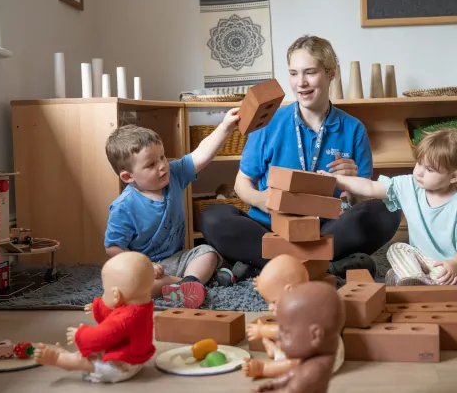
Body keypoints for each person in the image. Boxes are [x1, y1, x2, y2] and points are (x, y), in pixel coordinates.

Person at [199, 35, 401, 281]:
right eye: (294, 73)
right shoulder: (269, 122)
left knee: (387, 210)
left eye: (310, 72)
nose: (301, 83)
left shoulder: (354, 128)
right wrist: (262, 200)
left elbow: (361, 203)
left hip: (325, 230)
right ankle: (322, 266)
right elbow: (243, 183)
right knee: (212, 217)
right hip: (270, 227)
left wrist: (352, 181)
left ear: (331, 74)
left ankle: (270, 265)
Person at [318, 128, 457, 292]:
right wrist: (337, 179)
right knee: (397, 249)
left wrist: (455, 264)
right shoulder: (409, 185)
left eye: (429, 169)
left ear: (454, 177)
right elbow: (371, 187)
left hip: (455, 266)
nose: (419, 172)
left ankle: (417, 285)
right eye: (419, 163)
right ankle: (416, 281)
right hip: (423, 262)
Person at [102, 109, 240, 309]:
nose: (162, 166)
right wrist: (145, 266)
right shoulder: (124, 207)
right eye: (151, 164)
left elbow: (201, 155)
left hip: (176, 259)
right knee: (131, 290)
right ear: (128, 177)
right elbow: (113, 247)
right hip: (143, 269)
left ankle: (189, 282)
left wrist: (226, 126)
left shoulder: (174, 175)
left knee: (206, 252)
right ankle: (189, 283)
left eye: (162, 157)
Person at [33, 251, 156, 383]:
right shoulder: (142, 307)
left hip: (120, 368)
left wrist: (80, 335)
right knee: (93, 352)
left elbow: (102, 336)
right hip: (136, 359)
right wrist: (98, 309)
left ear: (116, 295)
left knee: (93, 358)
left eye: (105, 291)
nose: (103, 295)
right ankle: (73, 357)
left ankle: (61, 360)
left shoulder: (125, 318)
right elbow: (116, 314)